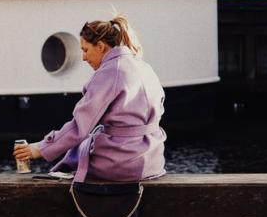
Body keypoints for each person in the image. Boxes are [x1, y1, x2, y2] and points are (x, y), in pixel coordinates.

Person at [14, 15, 166, 182]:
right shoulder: (144, 67)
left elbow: (80, 127)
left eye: (85, 50)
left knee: (73, 161)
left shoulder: (109, 72)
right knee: (81, 149)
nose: (83, 58)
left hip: (123, 164)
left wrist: (40, 148)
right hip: (153, 159)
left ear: (101, 46)